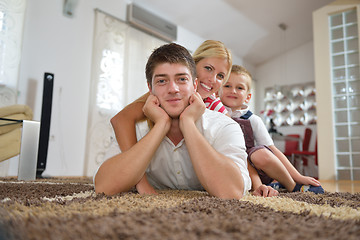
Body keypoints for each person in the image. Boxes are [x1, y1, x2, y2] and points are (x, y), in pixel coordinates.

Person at [94, 43, 251, 199]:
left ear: (194, 83)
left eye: (182, 79)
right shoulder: (137, 125)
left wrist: (188, 123)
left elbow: (231, 192)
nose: (173, 89)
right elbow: (104, 187)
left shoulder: (222, 123)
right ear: (150, 88)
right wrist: (161, 125)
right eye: (162, 81)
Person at [219, 65, 324, 195]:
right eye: (227, 86)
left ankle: (291, 185)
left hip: (257, 170)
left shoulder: (253, 120)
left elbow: (273, 150)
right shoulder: (215, 116)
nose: (233, 91)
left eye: (239, 87)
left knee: (260, 153)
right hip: (232, 168)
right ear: (218, 89)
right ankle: (271, 185)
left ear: (247, 97)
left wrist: (298, 176)